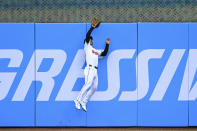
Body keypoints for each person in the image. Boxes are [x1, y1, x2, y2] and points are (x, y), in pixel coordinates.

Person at [74, 25, 110, 112]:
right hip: (89, 68)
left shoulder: (95, 50)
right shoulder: (87, 47)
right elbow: (87, 36)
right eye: (90, 39)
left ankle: (84, 102)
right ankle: (77, 100)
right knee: (88, 84)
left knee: (94, 87)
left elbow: (104, 53)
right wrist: (92, 27)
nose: (91, 40)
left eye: (91, 39)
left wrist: (107, 44)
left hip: (95, 71)